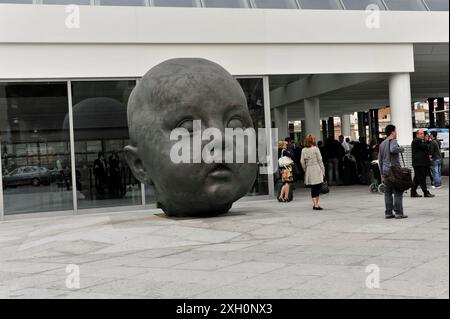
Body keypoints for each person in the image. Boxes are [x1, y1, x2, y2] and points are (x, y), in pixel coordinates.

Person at [378, 125, 407, 219]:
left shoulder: (382, 144)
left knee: (388, 192)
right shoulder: (393, 141)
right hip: (394, 170)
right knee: (398, 191)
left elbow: (380, 160)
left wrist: (382, 173)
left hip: (386, 170)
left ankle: (388, 212)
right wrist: (401, 149)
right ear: (392, 132)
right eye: (395, 131)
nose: (396, 133)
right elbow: (393, 149)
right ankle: (398, 212)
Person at [301, 134, 325, 211]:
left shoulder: (303, 150)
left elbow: (302, 162)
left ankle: (315, 204)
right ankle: (316, 204)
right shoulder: (316, 149)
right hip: (316, 168)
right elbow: (320, 160)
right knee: (317, 187)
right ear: (313, 141)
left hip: (309, 169)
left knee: (313, 187)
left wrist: (305, 169)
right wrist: (323, 170)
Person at [411, 130, 435, 198]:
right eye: (421, 133)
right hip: (419, 163)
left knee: (417, 179)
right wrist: (428, 141)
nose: (422, 135)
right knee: (422, 179)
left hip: (420, 163)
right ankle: (426, 192)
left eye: (423, 133)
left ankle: (413, 192)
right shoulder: (417, 140)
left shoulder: (419, 141)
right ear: (417, 134)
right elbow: (426, 147)